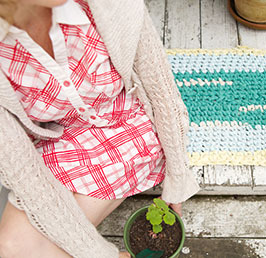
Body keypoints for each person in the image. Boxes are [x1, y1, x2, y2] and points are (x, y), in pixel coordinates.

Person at [0, 0, 200, 257]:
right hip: (60, 138)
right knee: (11, 246)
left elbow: (161, 90)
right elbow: (21, 170)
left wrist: (178, 177)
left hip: (128, 123)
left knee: (42, 248)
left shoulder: (108, 5)